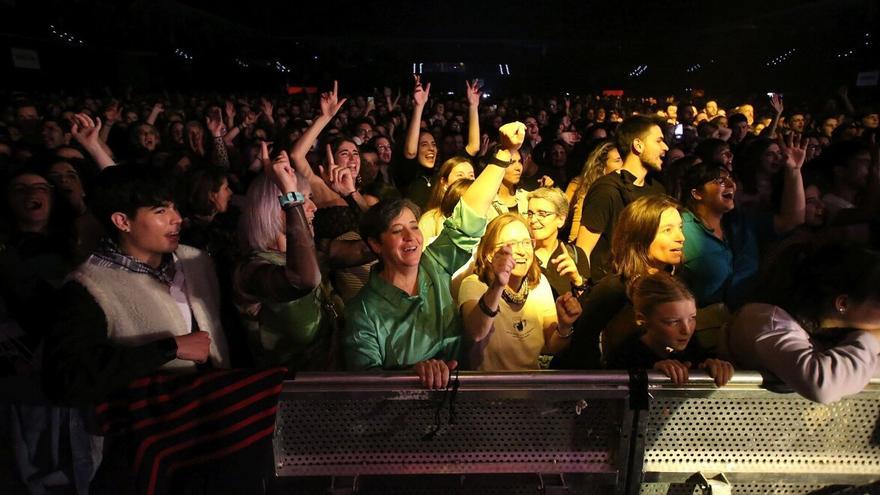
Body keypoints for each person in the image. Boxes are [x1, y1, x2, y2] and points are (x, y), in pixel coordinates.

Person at [343, 121, 526, 388]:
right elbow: (365, 385)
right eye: (397, 231)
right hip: (401, 420)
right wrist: (411, 374)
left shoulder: (434, 264)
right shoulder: (363, 311)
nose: (411, 238)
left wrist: (503, 155)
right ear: (376, 245)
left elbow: (468, 217)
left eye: (414, 227)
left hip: (457, 405)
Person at [42, 165, 229, 405]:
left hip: (217, 414)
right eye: (161, 211)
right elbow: (66, 380)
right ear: (122, 221)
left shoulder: (197, 263)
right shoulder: (89, 287)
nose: (177, 219)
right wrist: (167, 349)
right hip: (151, 429)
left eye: (175, 207)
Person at [728, 242, 880, 404]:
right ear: (842, 303)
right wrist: (870, 339)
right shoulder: (767, 321)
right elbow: (823, 387)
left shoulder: (834, 331)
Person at [553, 195, 685, 369]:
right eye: (667, 230)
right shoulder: (613, 289)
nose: (680, 237)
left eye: (680, 228)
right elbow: (582, 351)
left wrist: (707, 363)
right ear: (640, 236)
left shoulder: (677, 285)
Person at [233, 151, 334, 370]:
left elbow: (369, 248)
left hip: (325, 377)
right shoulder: (252, 271)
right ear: (275, 208)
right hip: (287, 390)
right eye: (303, 198)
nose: (313, 207)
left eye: (307, 199)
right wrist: (290, 193)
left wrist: (351, 194)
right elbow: (303, 279)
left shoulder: (307, 254)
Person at [679, 137, 805, 309]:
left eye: (731, 179)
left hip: (742, 318)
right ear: (697, 193)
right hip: (698, 326)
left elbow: (792, 220)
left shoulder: (742, 223)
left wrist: (794, 171)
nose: (731, 184)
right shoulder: (681, 228)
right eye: (720, 181)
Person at [458, 213, 581, 371]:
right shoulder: (474, 285)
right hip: (487, 389)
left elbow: (552, 346)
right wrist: (498, 285)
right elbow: (476, 333)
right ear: (489, 254)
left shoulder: (539, 284)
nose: (522, 251)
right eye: (512, 244)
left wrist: (564, 326)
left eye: (526, 243)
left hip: (529, 387)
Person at [576, 115, 668, 281]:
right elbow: (583, 249)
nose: (666, 147)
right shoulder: (607, 190)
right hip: (613, 293)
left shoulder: (657, 190)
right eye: (659, 141)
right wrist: (582, 290)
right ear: (638, 145)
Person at [606, 272, 734, 386]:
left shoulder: (694, 349)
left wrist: (714, 368)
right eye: (673, 322)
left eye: (692, 318)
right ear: (642, 319)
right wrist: (651, 375)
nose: (687, 330)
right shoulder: (624, 357)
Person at [526, 187, 590, 300]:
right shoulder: (522, 254)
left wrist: (576, 280)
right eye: (530, 213)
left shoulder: (576, 255)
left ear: (561, 220)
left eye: (542, 213)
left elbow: (588, 306)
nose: (533, 220)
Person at [565, 140, 623, 243]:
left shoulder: (624, 190)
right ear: (602, 166)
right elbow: (574, 233)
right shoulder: (586, 190)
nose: (623, 165)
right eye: (617, 160)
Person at [418, 156, 476, 239]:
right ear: (444, 183)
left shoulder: (484, 214)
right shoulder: (430, 221)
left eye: (471, 175)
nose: (467, 180)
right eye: (460, 175)